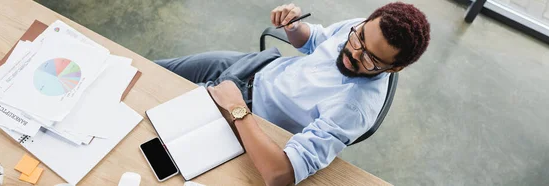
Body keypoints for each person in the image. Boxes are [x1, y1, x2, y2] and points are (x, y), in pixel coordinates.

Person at [155, 2, 430, 185]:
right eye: (357, 38)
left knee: (155, 111)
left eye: (370, 59)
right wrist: (296, 28)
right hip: (255, 67)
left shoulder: (354, 109)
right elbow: (313, 41)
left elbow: (280, 175)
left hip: (248, 114)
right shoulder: (362, 27)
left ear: (396, 68)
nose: (352, 54)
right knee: (151, 70)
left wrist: (237, 109)